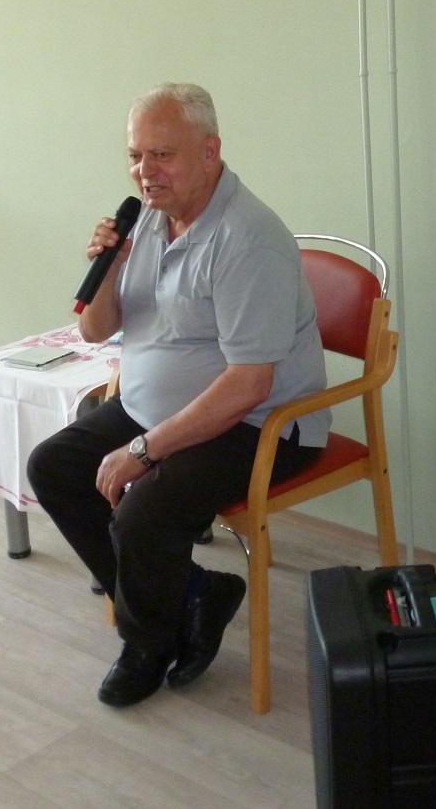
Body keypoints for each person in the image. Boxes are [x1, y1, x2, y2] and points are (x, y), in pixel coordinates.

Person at [26, 82, 329, 707]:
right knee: (54, 466)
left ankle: (147, 643)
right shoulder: (146, 220)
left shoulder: (249, 239)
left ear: (210, 151)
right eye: (135, 156)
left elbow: (249, 383)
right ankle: (194, 595)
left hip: (257, 423)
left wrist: (143, 450)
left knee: (143, 513)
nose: (145, 172)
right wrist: (109, 267)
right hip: (151, 405)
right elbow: (95, 330)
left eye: (161, 155)